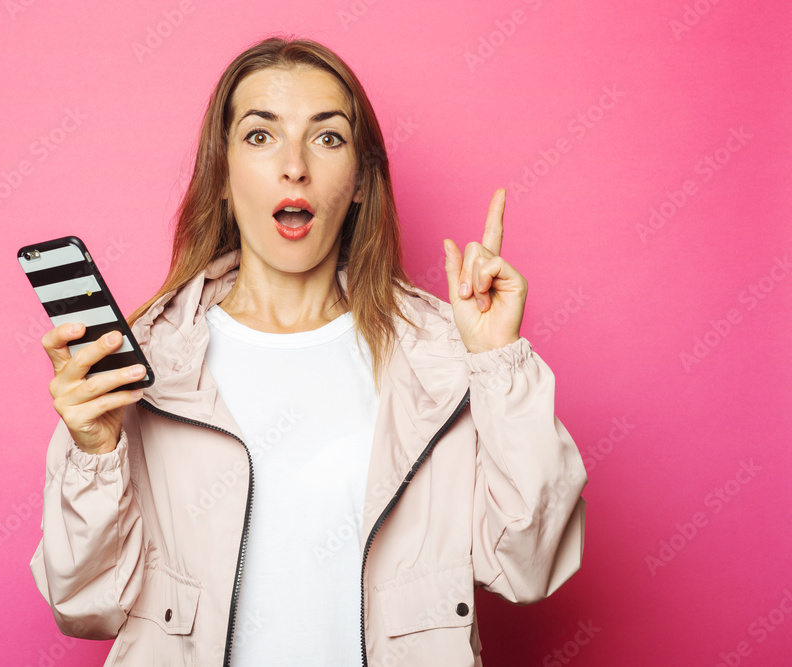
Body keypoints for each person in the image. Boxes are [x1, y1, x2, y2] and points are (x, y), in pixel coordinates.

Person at [30, 36, 587, 667]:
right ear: (222, 175)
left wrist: (497, 363)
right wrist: (94, 453)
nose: (294, 166)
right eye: (261, 136)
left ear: (357, 183)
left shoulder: (439, 357)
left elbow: (531, 564)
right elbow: (83, 605)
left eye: (327, 138)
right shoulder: (146, 361)